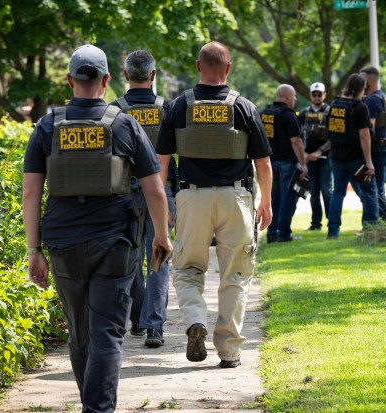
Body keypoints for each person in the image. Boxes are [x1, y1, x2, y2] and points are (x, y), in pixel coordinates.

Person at [23, 44, 172, 412]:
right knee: (107, 333)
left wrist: (33, 251)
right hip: (115, 243)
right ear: (106, 80)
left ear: (70, 79)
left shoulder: (48, 125)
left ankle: (93, 405)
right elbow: (154, 188)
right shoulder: (124, 124)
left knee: (81, 333)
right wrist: (163, 237)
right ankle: (98, 408)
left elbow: (30, 193)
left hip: (63, 244)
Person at [156, 41, 272, 368]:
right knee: (235, 274)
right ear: (228, 69)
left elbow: (162, 161)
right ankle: (230, 351)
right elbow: (263, 163)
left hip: (192, 198)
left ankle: (195, 320)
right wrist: (266, 203)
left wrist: (164, 204)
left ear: (197, 67)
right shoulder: (245, 107)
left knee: (187, 268)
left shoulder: (178, 107)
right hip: (236, 199)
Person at [109, 50, 176, 348]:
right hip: (161, 191)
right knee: (159, 255)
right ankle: (154, 327)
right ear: (152, 76)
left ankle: (138, 318)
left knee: (131, 257)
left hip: (123, 192)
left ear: (125, 76)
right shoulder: (168, 109)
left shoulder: (112, 111)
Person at [326, 73, 378, 239]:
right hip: (356, 159)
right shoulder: (360, 108)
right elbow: (364, 135)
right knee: (369, 191)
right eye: (364, 89)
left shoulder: (334, 105)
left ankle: (333, 231)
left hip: (337, 157)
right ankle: (370, 229)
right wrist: (369, 162)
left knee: (337, 193)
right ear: (360, 89)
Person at [261, 84, 308, 243]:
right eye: (294, 97)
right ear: (288, 97)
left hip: (269, 163)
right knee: (288, 200)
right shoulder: (288, 115)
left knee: (274, 199)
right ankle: (284, 234)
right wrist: (303, 164)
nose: (294, 100)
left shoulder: (265, 113)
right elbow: (296, 141)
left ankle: (272, 234)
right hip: (287, 163)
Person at [360, 66, 386, 222]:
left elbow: (370, 127)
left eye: (363, 80)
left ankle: (381, 221)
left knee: (376, 188)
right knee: (378, 187)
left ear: (371, 80)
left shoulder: (372, 100)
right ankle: (382, 221)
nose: (361, 83)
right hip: (385, 146)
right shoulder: (383, 96)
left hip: (378, 150)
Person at [298, 82, 332, 231]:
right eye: (314, 94)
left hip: (325, 159)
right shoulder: (304, 113)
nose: (317, 97)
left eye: (320, 94)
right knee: (313, 193)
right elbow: (297, 136)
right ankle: (316, 224)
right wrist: (303, 154)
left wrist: (319, 152)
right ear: (311, 96)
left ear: (324, 95)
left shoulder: (330, 112)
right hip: (308, 160)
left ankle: (333, 222)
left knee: (327, 191)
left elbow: (334, 136)